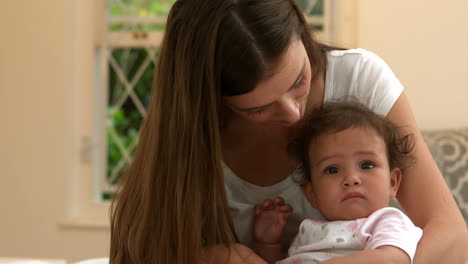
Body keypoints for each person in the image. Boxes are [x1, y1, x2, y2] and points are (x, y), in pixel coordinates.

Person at [109, 0, 468, 263]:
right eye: (258, 108)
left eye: (298, 81)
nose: (295, 114)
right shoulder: (189, 130)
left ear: (301, 26)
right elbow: (138, 250)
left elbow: (450, 234)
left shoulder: (360, 81)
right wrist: (211, 256)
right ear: (211, 101)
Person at [253, 102, 423, 264]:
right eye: (332, 170)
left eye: (366, 165)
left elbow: (393, 259)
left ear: (392, 182)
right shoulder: (307, 230)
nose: (351, 178)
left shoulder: (387, 221)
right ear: (312, 193)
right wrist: (268, 244)